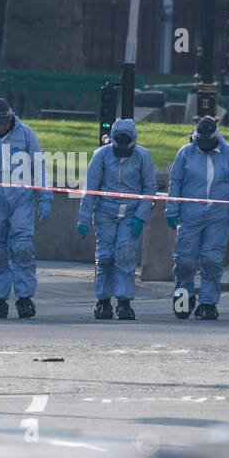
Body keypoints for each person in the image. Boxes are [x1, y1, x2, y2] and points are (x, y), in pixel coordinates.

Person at [0, 97, 53, 319]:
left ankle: (24, 298)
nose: (2, 126)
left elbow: (38, 165)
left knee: (23, 248)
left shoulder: (25, 134)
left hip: (20, 200)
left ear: (11, 117)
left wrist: (44, 197)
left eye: (5, 122)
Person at [166, 116, 229, 321]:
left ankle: (208, 303)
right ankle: (184, 299)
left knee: (212, 260)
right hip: (190, 214)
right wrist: (171, 210)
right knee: (185, 260)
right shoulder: (185, 153)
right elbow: (175, 183)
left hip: (219, 216)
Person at [77, 119, 157, 321]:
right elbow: (90, 189)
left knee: (126, 254)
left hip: (130, 214)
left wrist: (141, 216)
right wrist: (84, 218)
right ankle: (103, 301)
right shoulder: (101, 156)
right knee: (105, 257)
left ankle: (124, 302)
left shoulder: (143, 156)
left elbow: (149, 188)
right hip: (106, 211)